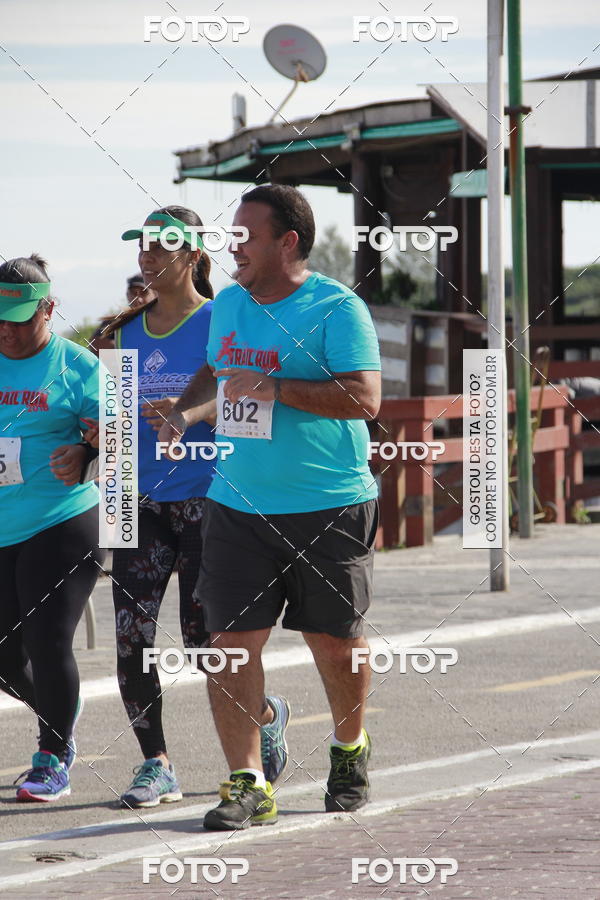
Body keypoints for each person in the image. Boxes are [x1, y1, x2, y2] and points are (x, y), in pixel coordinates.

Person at [159, 184, 381, 830]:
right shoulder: (229, 304)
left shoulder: (337, 308)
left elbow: (365, 397)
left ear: (288, 242)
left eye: (246, 236)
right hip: (235, 503)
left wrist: (277, 388)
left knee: (335, 646)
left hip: (328, 505)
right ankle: (249, 782)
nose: (233, 247)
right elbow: (215, 372)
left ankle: (349, 749)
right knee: (227, 647)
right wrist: (183, 413)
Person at [97, 206, 290, 810]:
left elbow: (252, 402)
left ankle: (264, 715)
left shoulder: (221, 321)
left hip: (210, 499)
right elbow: (111, 425)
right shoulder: (121, 334)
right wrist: (98, 464)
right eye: (143, 246)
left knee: (205, 642)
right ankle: (156, 763)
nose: (148, 256)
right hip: (140, 501)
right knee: (131, 637)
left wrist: (191, 416)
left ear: (193, 256)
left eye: (162, 247)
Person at [0, 254, 105, 802]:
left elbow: (122, 435)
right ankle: (59, 704)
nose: (8, 330)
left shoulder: (78, 365)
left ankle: (53, 754)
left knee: (47, 640)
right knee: (4, 657)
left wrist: (87, 450)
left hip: (61, 520)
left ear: (48, 309)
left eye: (20, 318)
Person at [89, 273, 156, 355]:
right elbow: (95, 344)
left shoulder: (165, 319)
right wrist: (129, 352)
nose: (139, 299)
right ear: (127, 295)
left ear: (155, 294)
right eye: (134, 293)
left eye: (144, 292)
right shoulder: (117, 320)